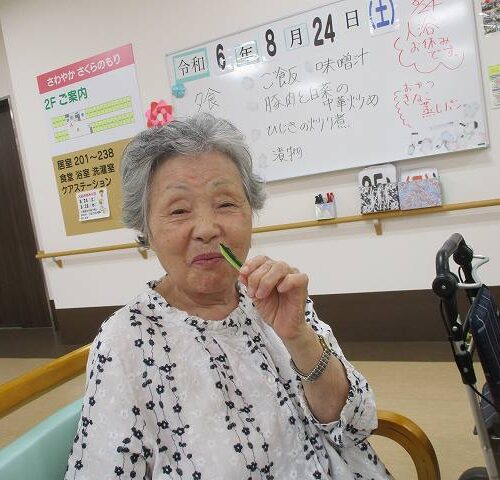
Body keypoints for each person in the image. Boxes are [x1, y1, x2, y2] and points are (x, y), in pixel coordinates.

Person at [65, 114, 391, 479]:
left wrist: (299, 337)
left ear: (250, 212)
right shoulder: (125, 342)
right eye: (179, 210)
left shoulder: (273, 294)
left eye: (225, 204)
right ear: (146, 230)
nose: (207, 229)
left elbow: (356, 423)